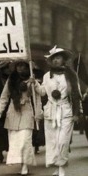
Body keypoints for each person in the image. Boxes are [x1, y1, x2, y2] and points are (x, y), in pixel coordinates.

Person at [33, 46, 82, 176]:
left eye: (58, 58)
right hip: (51, 112)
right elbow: (43, 92)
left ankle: (61, 167)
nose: (55, 60)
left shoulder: (71, 75)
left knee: (63, 141)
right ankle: (58, 167)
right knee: (53, 142)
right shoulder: (46, 76)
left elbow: (76, 95)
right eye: (53, 58)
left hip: (66, 111)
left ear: (63, 60)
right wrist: (35, 84)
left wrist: (77, 113)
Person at [0, 61, 42, 175]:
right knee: (15, 140)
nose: (20, 68)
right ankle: (21, 164)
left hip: (27, 111)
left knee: (25, 139)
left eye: (23, 66)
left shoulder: (32, 80)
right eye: (18, 66)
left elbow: (41, 94)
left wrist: (34, 83)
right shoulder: (11, 80)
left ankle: (25, 165)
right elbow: (4, 96)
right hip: (13, 111)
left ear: (27, 67)